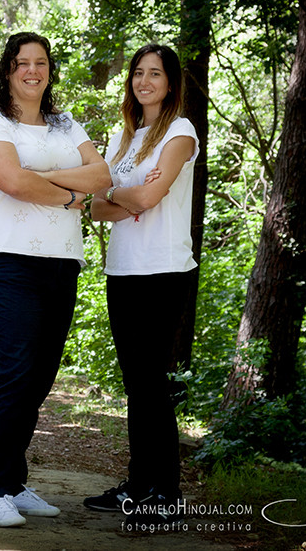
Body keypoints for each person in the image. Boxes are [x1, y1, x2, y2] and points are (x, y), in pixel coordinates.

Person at [0, 32, 111, 527]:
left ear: (50, 70)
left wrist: (40, 178)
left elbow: (102, 176)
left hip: (61, 260)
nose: (32, 71)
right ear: (8, 70)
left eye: (41, 62)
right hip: (6, 259)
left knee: (41, 375)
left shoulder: (65, 123)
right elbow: (10, 181)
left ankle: (15, 480)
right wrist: (72, 197)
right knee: (16, 370)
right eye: (22, 63)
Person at [84, 43, 199, 527]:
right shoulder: (124, 136)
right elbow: (95, 206)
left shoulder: (180, 131)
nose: (144, 81)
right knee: (137, 385)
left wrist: (123, 195)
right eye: (138, 73)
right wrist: (120, 195)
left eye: (155, 74)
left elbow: (152, 196)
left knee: (152, 385)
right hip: (123, 271)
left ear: (170, 83)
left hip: (163, 271)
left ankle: (166, 495)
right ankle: (138, 484)